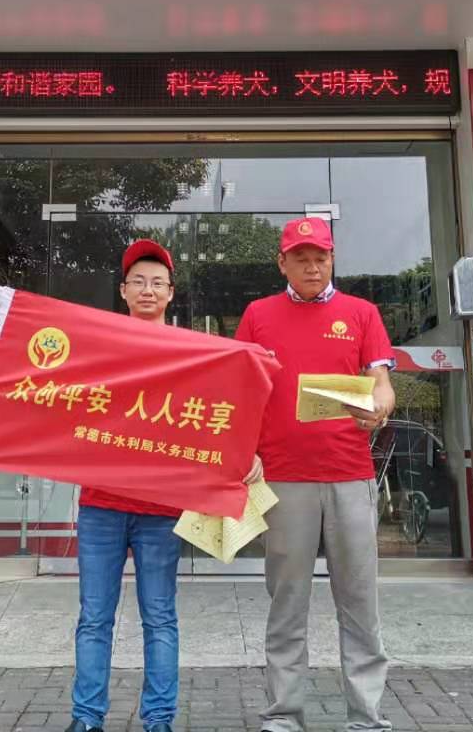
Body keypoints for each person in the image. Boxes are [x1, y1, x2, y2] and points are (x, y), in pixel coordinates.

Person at [65, 238, 263, 732]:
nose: (148, 290)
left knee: (159, 617)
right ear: (123, 291)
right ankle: (86, 718)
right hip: (100, 505)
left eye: (157, 283)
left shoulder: (191, 353)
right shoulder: (98, 345)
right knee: (94, 618)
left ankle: (159, 719)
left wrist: (245, 453)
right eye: (138, 282)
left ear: (171, 293)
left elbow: (219, 412)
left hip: (161, 509)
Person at [235, 217, 396, 732]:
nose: (312, 266)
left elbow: (381, 382)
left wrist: (381, 407)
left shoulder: (361, 313)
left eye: (320, 257)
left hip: (350, 475)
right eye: (300, 258)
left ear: (332, 260)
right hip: (283, 479)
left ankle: (366, 718)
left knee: (360, 601)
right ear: (281, 263)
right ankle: (283, 715)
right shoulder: (258, 315)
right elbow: (241, 390)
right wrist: (242, 452)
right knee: (287, 602)